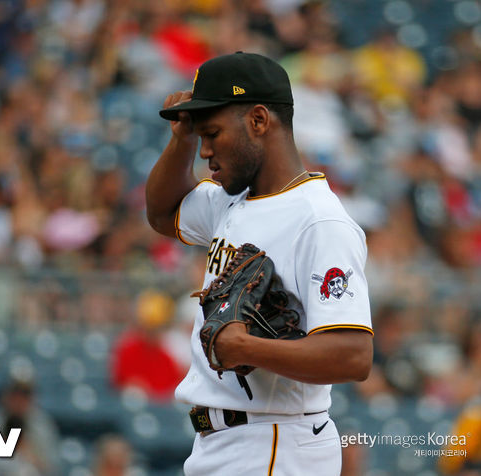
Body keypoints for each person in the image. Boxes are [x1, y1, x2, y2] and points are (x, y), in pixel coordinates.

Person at [145, 52, 373, 475]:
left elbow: (354, 356)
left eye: (211, 133)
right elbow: (161, 213)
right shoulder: (231, 198)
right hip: (229, 442)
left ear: (259, 120)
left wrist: (245, 347)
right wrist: (181, 141)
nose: (205, 149)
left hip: (274, 442)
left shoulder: (318, 220)